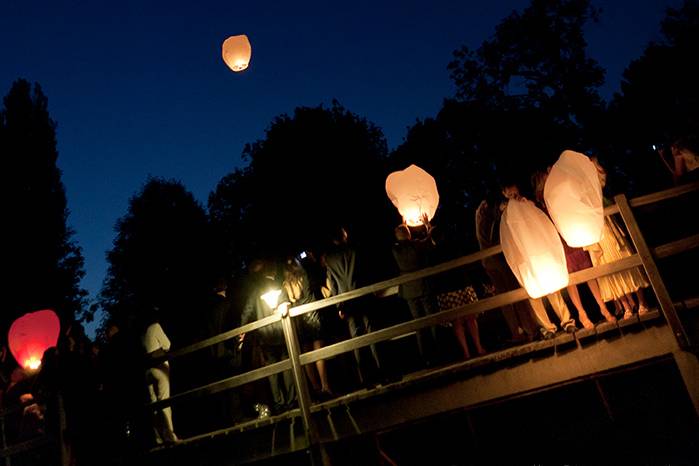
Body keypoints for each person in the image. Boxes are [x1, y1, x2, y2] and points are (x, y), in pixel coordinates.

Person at [531, 169, 616, 329]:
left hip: (570, 232)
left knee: (587, 270)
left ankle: (603, 308)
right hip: (558, 241)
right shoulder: (540, 203)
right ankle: (581, 313)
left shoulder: (558, 192)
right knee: (570, 278)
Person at [500, 180, 579, 338]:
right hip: (524, 256)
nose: (510, 192)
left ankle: (567, 321)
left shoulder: (528, 204)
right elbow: (508, 239)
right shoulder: (506, 214)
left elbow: (542, 226)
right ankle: (547, 327)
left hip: (540, 251)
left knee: (552, 289)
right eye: (506, 190)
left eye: (511, 187)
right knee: (534, 294)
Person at [585, 156, 650, 319]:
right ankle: (626, 305)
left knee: (623, 257)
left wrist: (595, 167)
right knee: (607, 266)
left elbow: (603, 185)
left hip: (609, 226)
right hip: (593, 232)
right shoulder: (577, 186)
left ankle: (642, 302)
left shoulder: (597, 180)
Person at [475, 188, 540, 344]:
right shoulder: (490, 210)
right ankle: (530, 328)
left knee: (506, 298)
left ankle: (517, 331)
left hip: (489, 260)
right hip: (500, 258)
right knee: (516, 294)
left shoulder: (480, 211)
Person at [322, 227, 382, 386]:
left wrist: (339, 306)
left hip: (347, 301)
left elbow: (333, 285)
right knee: (372, 333)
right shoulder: (355, 250)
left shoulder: (329, 258)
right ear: (344, 235)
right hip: (363, 295)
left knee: (356, 339)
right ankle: (382, 370)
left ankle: (366, 377)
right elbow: (366, 271)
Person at [239, 261, 296, 414]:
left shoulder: (256, 291)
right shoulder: (278, 288)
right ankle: (291, 401)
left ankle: (278, 403)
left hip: (265, 336)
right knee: (286, 368)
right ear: (273, 273)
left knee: (272, 372)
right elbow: (287, 305)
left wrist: (241, 331)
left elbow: (247, 311)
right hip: (281, 333)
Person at [282, 257, 332, 399]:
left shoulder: (285, 285)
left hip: (299, 321)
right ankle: (325, 386)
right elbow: (316, 288)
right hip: (313, 318)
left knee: (306, 357)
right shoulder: (305, 277)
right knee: (319, 354)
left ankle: (315, 388)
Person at [391, 217, 439, 366]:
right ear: (409, 234)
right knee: (432, 321)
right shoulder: (417, 245)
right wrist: (427, 225)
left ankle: (426, 358)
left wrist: (403, 226)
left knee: (418, 325)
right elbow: (431, 240)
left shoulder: (395, 250)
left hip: (409, 291)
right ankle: (439, 352)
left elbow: (402, 239)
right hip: (424, 286)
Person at [143, 317, 178, 444]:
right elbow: (167, 344)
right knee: (164, 401)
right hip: (159, 367)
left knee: (153, 404)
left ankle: (158, 437)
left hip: (147, 370)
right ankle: (170, 435)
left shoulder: (141, 333)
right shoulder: (155, 326)